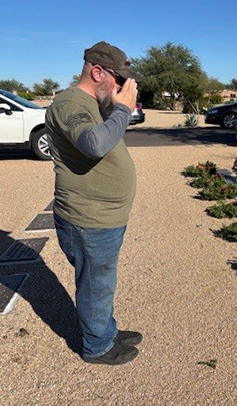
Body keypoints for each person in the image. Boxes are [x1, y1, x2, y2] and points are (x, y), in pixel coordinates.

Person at [45, 41, 143, 365]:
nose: (123, 89)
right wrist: (124, 108)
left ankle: (106, 330)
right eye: (119, 80)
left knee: (101, 282)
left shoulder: (95, 103)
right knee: (94, 286)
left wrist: (116, 105)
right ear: (97, 71)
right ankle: (97, 346)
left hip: (103, 216)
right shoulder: (68, 102)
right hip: (88, 219)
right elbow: (94, 143)